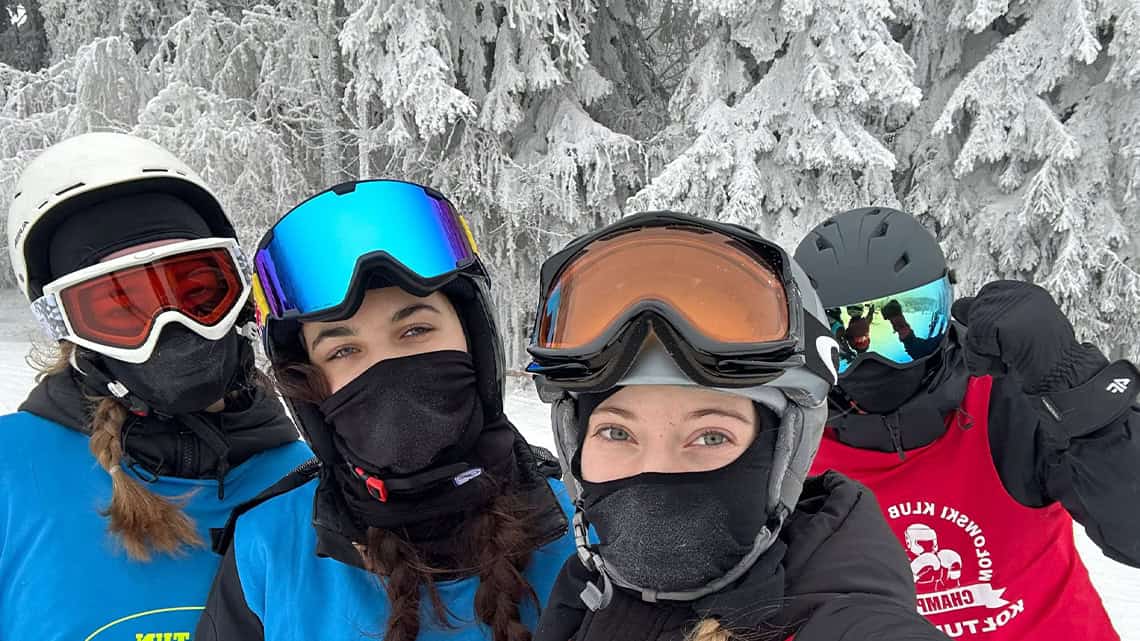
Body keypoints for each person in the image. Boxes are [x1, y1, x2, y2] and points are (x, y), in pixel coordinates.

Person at [526, 211, 946, 641]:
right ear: (574, 445)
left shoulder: (847, 622)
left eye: (711, 436)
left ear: (781, 456)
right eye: (617, 433)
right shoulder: (580, 600)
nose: (658, 467)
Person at [195, 179, 577, 641]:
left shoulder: (581, 533)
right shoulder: (268, 549)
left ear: (474, 342)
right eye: (343, 351)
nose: (386, 368)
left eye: (415, 330)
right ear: (310, 388)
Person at [0, 133, 312, 639]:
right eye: (119, 308)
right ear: (73, 332)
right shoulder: (11, 472)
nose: (172, 326)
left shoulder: (315, 486)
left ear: (237, 292)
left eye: (198, 291)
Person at [795, 206, 1140, 640]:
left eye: (907, 320)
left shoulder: (1006, 402)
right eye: (843, 337)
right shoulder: (796, 443)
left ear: (944, 317)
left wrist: (1073, 388)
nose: (875, 361)